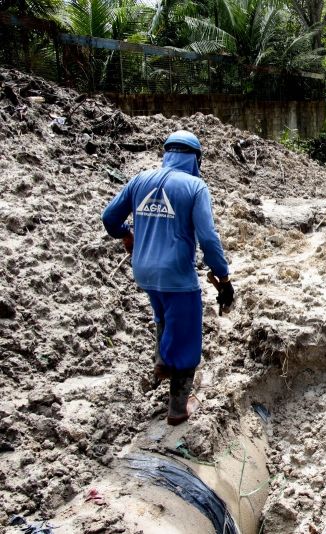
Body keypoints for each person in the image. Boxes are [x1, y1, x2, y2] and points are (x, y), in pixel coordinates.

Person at [101, 130, 234, 425]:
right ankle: (178, 408)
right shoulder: (195, 186)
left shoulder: (139, 180)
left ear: (167, 153)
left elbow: (110, 218)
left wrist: (126, 235)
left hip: (144, 271)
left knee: (163, 314)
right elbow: (208, 239)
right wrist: (223, 276)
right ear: (195, 158)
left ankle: (162, 358)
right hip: (177, 275)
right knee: (187, 335)